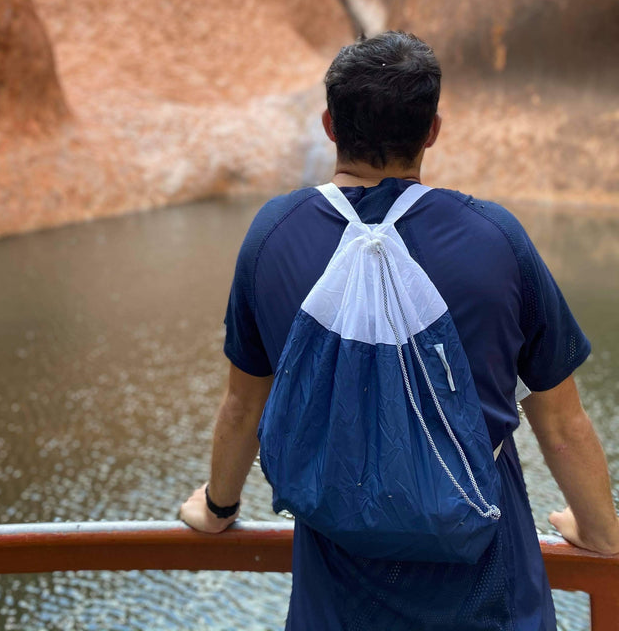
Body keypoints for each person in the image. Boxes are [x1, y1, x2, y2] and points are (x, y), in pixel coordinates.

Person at [180, 31, 619, 631]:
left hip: (336, 606)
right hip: (488, 596)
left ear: (330, 126)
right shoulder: (494, 239)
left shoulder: (273, 234)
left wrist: (218, 506)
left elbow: (242, 405)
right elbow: (561, 420)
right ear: (432, 129)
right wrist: (597, 530)